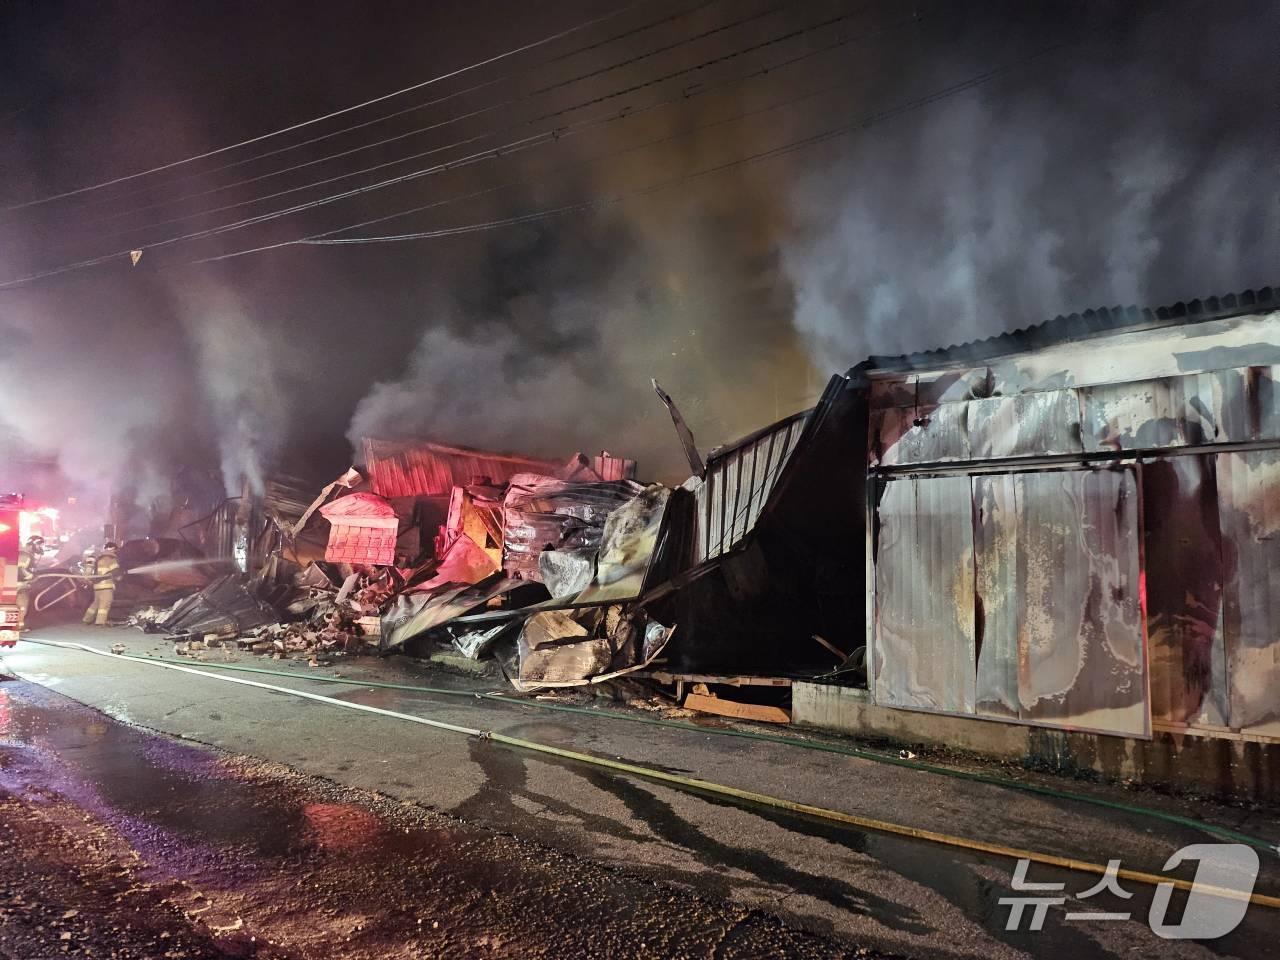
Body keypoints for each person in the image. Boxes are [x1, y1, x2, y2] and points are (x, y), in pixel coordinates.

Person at [83, 541, 120, 626]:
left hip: (97, 586)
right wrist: (120, 576)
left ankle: (87, 619)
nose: (115, 552)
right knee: (105, 604)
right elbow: (115, 572)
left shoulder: (99, 557)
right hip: (106, 586)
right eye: (115, 550)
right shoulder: (110, 558)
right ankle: (100, 622)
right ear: (112, 548)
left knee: (95, 603)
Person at [16, 535, 44, 632]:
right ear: (33, 544)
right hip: (20, 586)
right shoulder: (25, 555)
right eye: (39, 545)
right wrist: (31, 577)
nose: (40, 547)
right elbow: (20, 569)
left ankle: (17, 626)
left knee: (20, 607)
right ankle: (18, 627)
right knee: (22, 606)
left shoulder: (26, 554)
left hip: (20, 585)